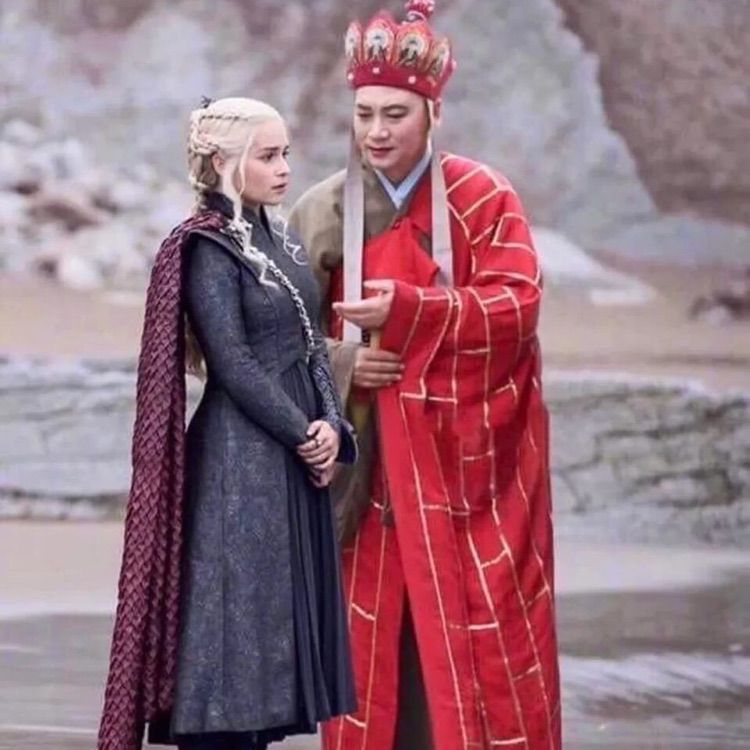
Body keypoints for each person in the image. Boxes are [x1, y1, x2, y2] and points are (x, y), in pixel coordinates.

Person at [288, 2, 561, 749]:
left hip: (466, 474)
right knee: (373, 655)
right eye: (364, 114)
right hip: (369, 472)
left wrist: (410, 313)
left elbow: (518, 304)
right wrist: (346, 361)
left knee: (475, 648)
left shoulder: (483, 198)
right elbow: (268, 339)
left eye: (396, 114)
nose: (377, 132)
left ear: (433, 113)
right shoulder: (323, 210)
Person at [98, 97, 357, 750]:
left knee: (272, 639)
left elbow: (313, 340)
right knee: (233, 636)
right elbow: (233, 363)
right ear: (221, 162)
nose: (284, 168)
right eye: (267, 156)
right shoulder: (205, 248)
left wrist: (332, 423)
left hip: (290, 455)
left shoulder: (282, 239)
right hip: (238, 462)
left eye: (286, 154)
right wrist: (304, 433)